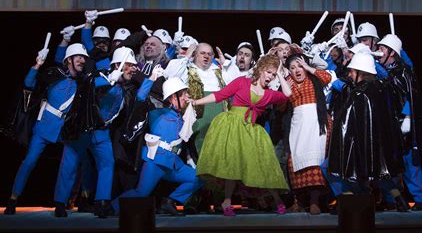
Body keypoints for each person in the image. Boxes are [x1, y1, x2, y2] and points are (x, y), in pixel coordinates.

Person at [191, 54, 292, 216]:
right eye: (269, 72)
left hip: (251, 131)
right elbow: (220, 95)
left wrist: (280, 73)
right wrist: (196, 102)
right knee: (232, 165)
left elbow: (287, 94)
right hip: (232, 126)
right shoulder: (242, 82)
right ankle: (227, 201)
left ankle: (277, 200)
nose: (270, 77)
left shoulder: (270, 94)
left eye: (273, 74)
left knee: (263, 165)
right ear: (260, 70)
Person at [52, 47, 138, 218]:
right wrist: (108, 80)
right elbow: (87, 84)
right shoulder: (100, 77)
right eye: (129, 65)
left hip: (101, 133)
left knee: (107, 164)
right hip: (82, 130)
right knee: (69, 165)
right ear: (117, 66)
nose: (134, 69)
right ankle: (60, 203)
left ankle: (102, 202)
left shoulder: (123, 87)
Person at [4, 43, 89, 215]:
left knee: (70, 164)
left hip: (65, 129)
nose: (82, 60)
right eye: (78, 57)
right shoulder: (53, 74)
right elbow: (29, 83)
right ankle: (13, 199)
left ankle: (61, 203)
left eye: (84, 58)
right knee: (29, 161)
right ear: (69, 60)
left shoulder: (83, 83)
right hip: (45, 125)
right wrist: (37, 64)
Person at [327, 53, 409, 210]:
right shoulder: (382, 88)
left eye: (352, 71)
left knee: (341, 170)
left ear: (360, 72)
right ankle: (398, 199)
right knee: (380, 171)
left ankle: (353, 199)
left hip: (361, 144)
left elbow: (346, 123)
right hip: (379, 146)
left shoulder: (359, 93)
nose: (350, 74)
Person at [112, 76, 203, 216]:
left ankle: (170, 202)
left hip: (173, 164)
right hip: (156, 162)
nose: (186, 97)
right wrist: (150, 79)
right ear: (173, 97)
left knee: (198, 178)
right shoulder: (157, 112)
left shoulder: (181, 115)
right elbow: (141, 98)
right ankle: (112, 207)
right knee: (141, 192)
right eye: (183, 94)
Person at [377, 34, 422, 211]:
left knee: (409, 163)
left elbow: (409, 95)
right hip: (389, 123)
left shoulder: (403, 71)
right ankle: (393, 200)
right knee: (387, 165)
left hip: (403, 125)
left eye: (382, 49)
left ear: (392, 52)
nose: (379, 51)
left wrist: (407, 117)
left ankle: (420, 199)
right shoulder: (387, 71)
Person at [283, 53, 332, 215]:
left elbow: (327, 77)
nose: (297, 70)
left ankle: (314, 202)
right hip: (298, 124)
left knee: (315, 162)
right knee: (295, 161)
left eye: (299, 66)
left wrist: (308, 67)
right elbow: (281, 101)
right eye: (292, 67)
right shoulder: (288, 82)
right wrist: (280, 76)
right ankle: (298, 202)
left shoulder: (313, 78)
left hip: (317, 123)